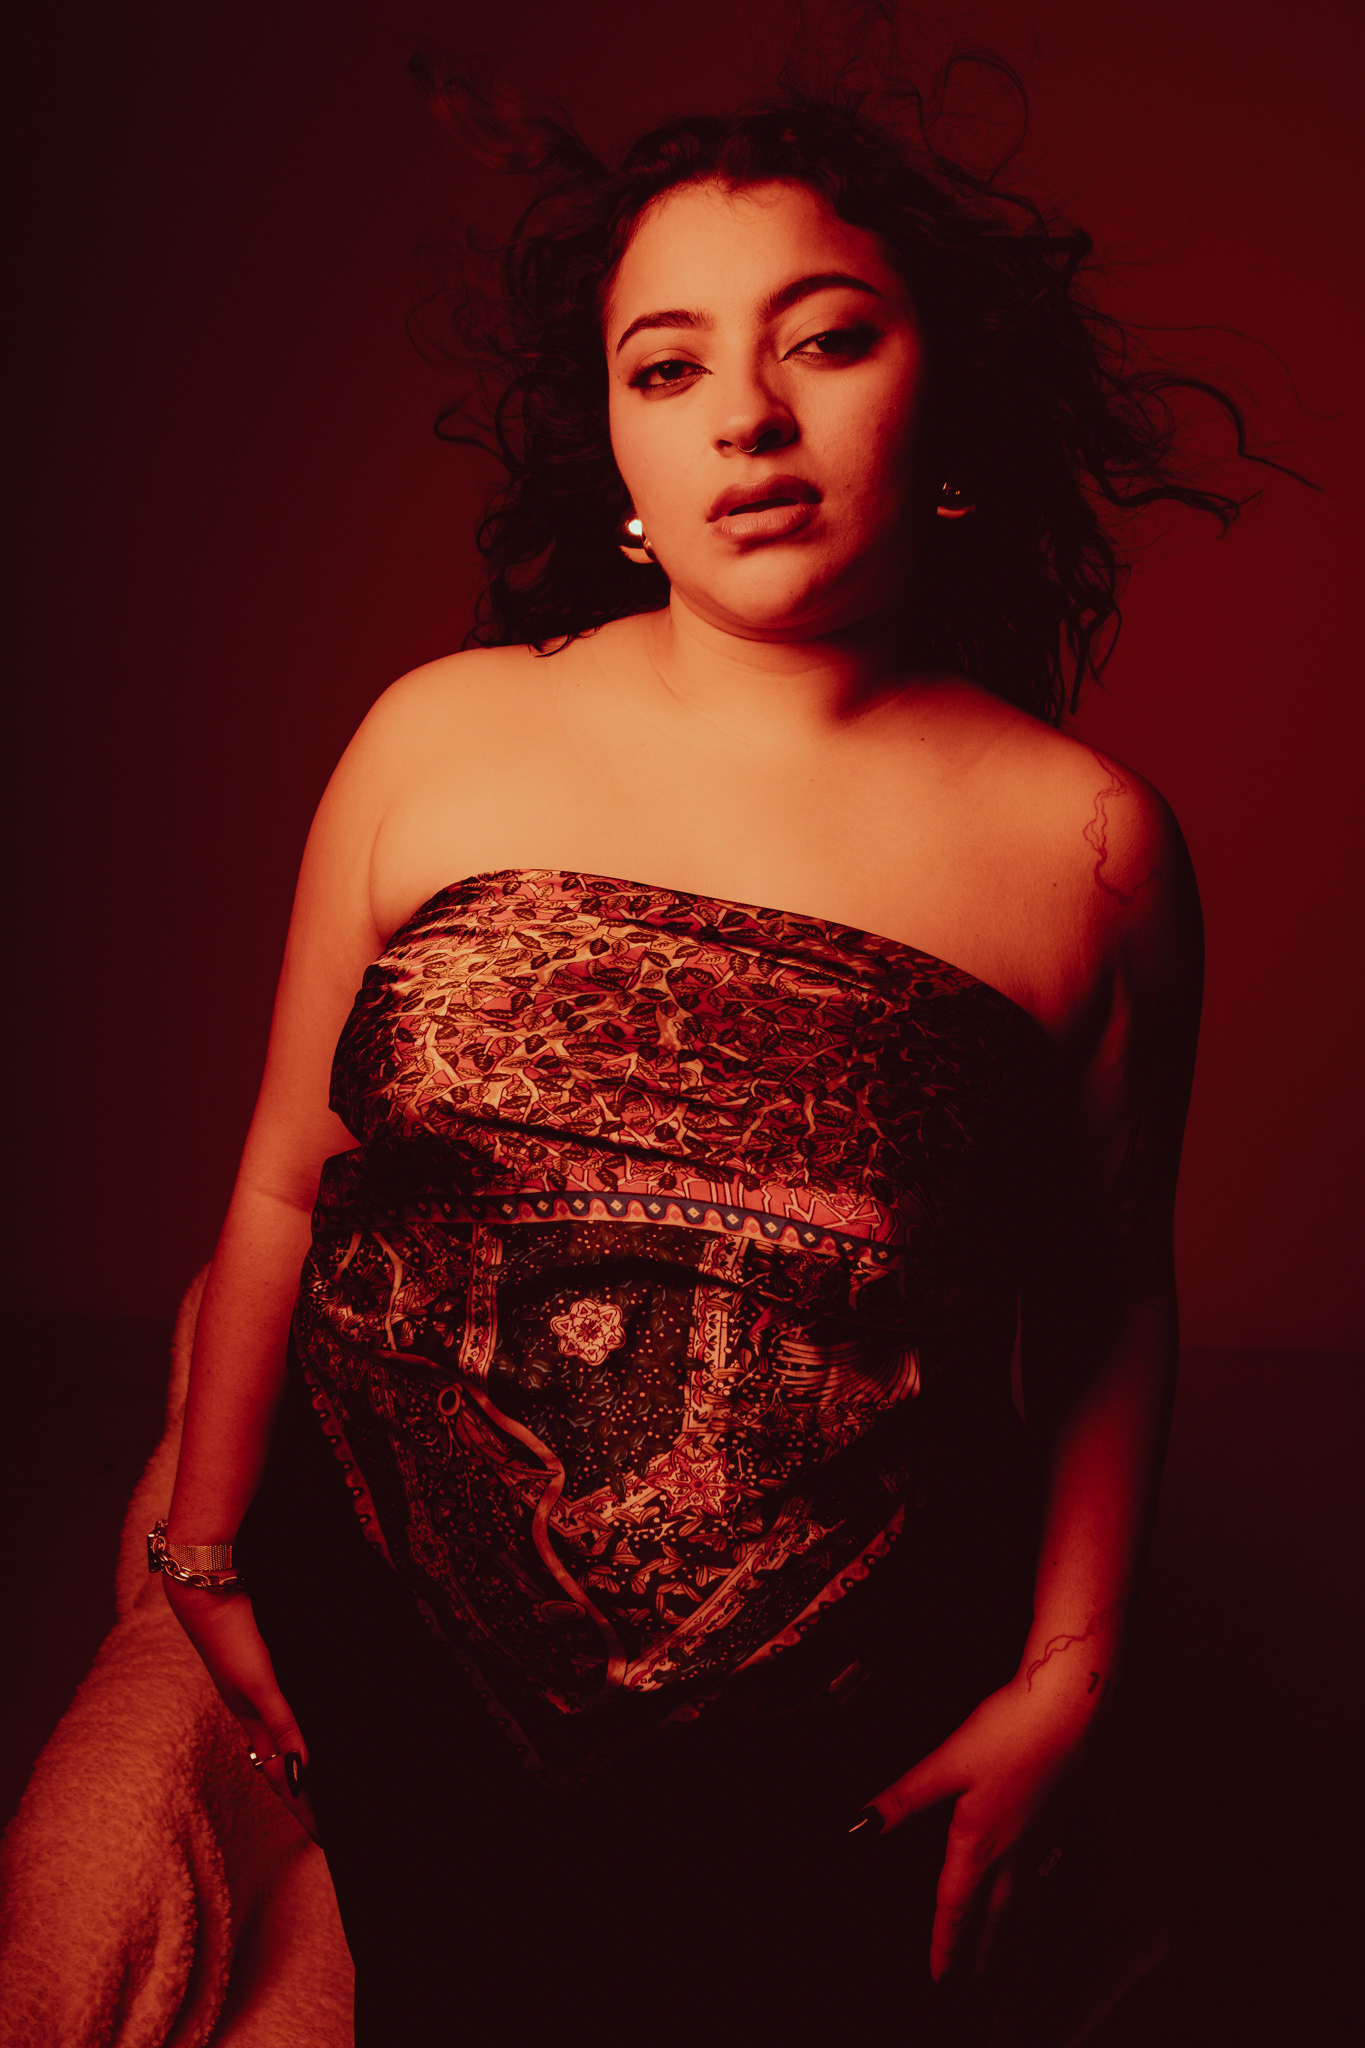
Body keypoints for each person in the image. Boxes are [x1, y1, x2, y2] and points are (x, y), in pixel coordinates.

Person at [155, 68, 1258, 2046]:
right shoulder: (434, 736)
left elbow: (1106, 1300)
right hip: (394, 1651)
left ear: (948, 408)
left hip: (830, 1730)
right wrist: (207, 1544)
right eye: (665, 368)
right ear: (616, 457)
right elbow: (278, 1177)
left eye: (822, 339)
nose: (744, 414)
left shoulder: (1085, 844)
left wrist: (1065, 1684)